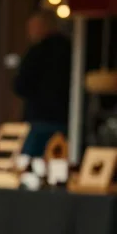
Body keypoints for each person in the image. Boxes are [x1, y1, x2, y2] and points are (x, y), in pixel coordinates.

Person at [15, 10, 72, 157]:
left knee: (30, 163)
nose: (29, 33)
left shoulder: (37, 51)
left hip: (40, 118)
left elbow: (21, 85)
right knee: (58, 161)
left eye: (32, 28)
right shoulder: (70, 49)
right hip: (66, 118)